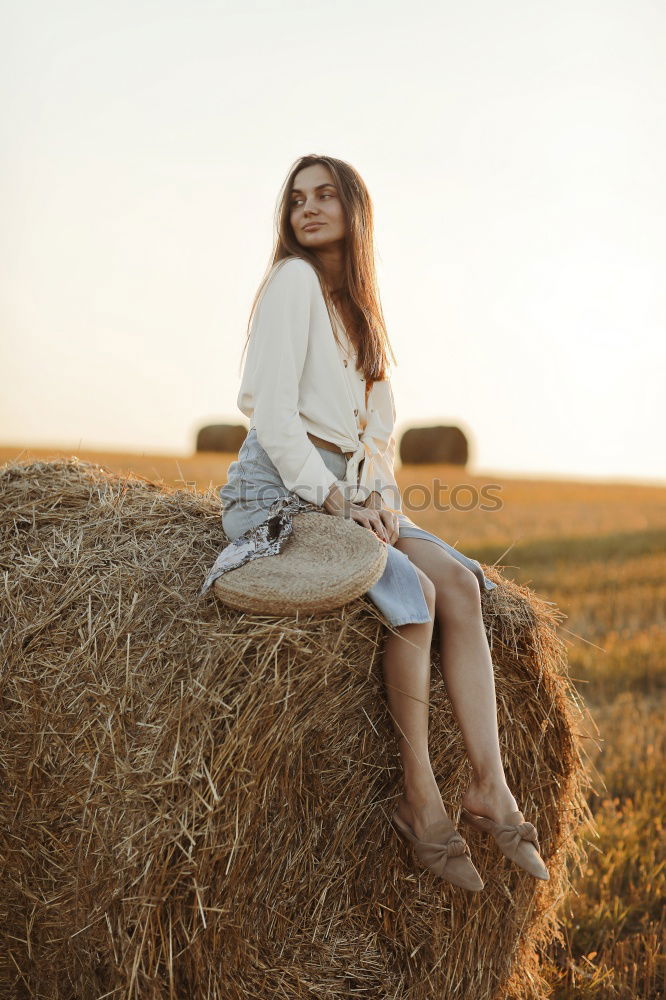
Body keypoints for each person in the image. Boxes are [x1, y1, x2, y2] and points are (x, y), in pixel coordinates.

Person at [217, 154, 549, 889]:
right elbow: (272, 419)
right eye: (296, 199)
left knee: (460, 583)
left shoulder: (361, 315)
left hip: (349, 494)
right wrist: (336, 502)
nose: (306, 208)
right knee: (412, 596)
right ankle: (419, 799)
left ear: (353, 209)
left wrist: (377, 502)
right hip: (278, 489)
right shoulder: (292, 283)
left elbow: (374, 439)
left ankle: (490, 788)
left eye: (324, 194)